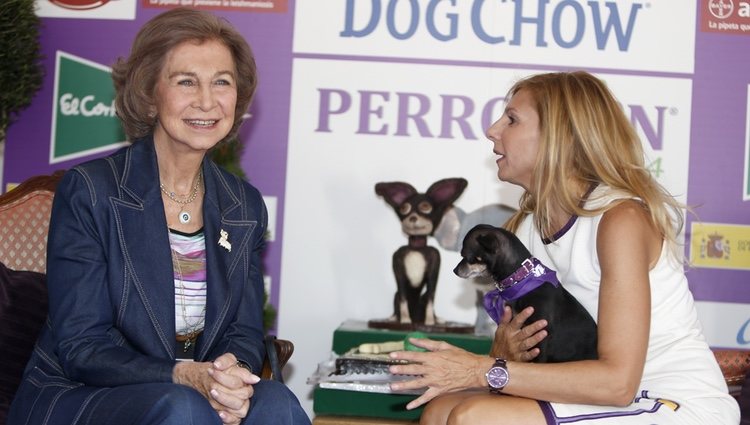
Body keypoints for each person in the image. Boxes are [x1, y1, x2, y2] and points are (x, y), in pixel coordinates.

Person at [8, 8, 310, 425]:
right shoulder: (93, 191)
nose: (207, 100)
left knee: (275, 402)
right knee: (183, 407)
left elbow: (243, 330)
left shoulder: (244, 205)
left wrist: (228, 380)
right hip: (82, 393)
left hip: (195, 392)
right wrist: (184, 376)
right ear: (150, 95)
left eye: (221, 82)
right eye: (186, 81)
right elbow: (83, 347)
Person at [387, 71, 740, 424]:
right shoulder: (524, 230)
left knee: (473, 416)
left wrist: (483, 370)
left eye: (511, 119)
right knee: (440, 411)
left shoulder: (620, 219)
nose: (492, 130)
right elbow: (510, 360)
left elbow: (618, 383)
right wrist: (501, 354)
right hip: (600, 399)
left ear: (560, 136)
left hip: (669, 401)